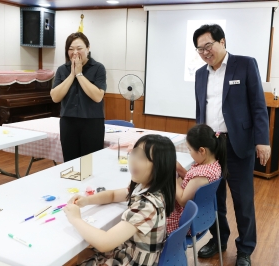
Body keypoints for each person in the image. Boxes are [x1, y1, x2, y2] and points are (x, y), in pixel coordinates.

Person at [191, 24, 270, 266]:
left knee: (242, 200)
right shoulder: (200, 74)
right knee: (215, 198)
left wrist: (262, 141)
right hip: (211, 147)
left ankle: (245, 249)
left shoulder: (245, 64)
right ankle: (219, 239)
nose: (205, 52)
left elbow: (258, 105)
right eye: (199, 49)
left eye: (208, 46)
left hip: (237, 144)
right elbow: (200, 111)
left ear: (222, 42)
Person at [63, 134, 176, 266]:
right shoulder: (147, 187)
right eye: (133, 154)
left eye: (141, 158)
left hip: (135, 260)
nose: (133, 161)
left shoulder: (146, 205)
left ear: (160, 166)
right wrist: (87, 200)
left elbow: (104, 243)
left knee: (88, 248)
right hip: (131, 249)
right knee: (86, 249)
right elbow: (113, 195)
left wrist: (75, 219)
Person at [51, 32, 107, 162]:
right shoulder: (62, 70)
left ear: (88, 48)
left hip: (92, 123)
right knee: (71, 163)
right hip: (68, 122)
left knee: (89, 164)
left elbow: (98, 96)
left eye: (79, 48)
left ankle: (90, 184)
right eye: (70, 49)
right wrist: (72, 75)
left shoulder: (98, 68)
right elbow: (55, 97)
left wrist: (80, 74)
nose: (75, 52)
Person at [167, 124, 227, 234]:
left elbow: (182, 200)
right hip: (201, 214)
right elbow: (191, 184)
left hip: (185, 221)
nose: (189, 153)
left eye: (190, 150)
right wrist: (180, 169)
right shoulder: (213, 166)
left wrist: (170, 178)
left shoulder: (202, 175)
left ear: (202, 150)